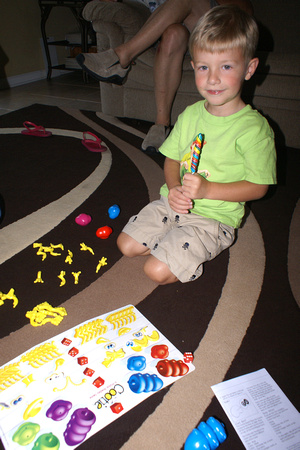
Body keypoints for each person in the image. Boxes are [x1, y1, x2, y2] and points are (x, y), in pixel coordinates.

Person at [116, 5, 277, 285]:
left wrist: (208, 190)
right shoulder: (191, 114)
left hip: (214, 218)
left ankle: (191, 247)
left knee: (155, 272)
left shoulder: (255, 130)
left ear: (249, 69)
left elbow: (259, 187)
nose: (212, 78)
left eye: (226, 66)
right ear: (193, 67)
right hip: (173, 203)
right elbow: (172, 160)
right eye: (204, 67)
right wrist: (175, 187)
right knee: (126, 245)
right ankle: (172, 243)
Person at [77, 0, 254, 152]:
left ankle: (122, 56)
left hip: (226, 26)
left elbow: (243, 8)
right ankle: (161, 125)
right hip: (184, 29)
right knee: (172, 34)